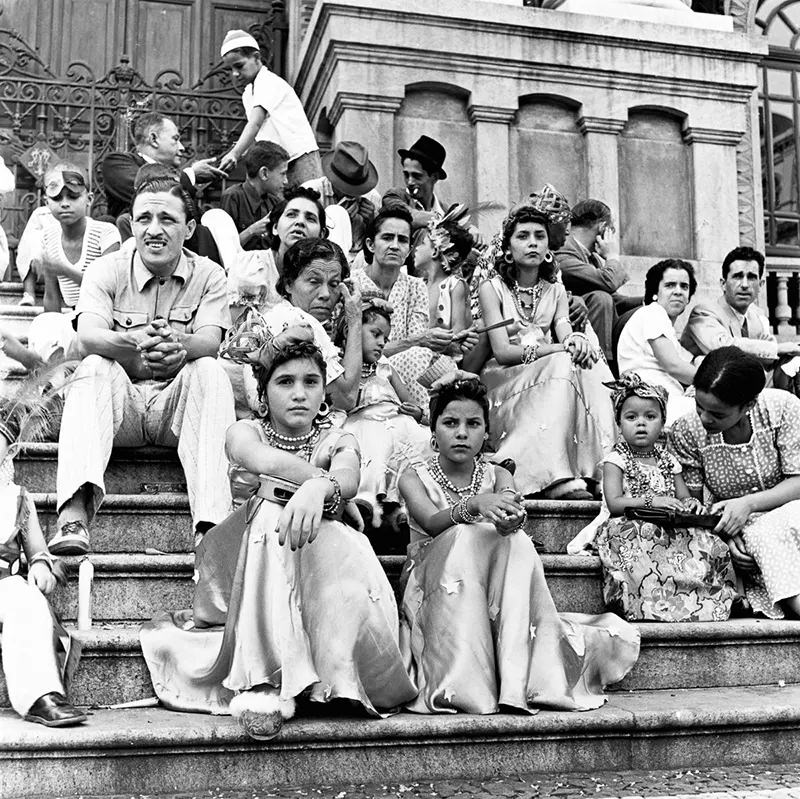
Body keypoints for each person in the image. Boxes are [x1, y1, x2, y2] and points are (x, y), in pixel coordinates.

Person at [140, 340, 418, 739]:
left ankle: (336, 672)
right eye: (285, 382)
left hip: (311, 554)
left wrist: (326, 494)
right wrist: (321, 488)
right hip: (237, 559)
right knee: (273, 510)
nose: (300, 393)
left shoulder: (340, 436)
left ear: (325, 392)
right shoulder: (244, 431)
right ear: (264, 394)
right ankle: (261, 681)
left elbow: (349, 476)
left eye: (311, 381)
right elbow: (267, 464)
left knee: (343, 537)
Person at [397, 377, 639, 714]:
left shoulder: (497, 475)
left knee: (516, 540)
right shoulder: (413, 474)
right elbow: (430, 521)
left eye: (473, 424)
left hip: (490, 579)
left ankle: (519, 677)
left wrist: (511, 520)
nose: (462, 432)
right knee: (466, 534)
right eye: (450, 423)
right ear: (434, 432)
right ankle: (468, 682)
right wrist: (476, 506)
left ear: (486, 434)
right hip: (432, 580)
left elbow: (512, 505)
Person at [49, 175, 235, 555]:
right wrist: (134, 340)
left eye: (166, 219)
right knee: (93, 366)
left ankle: (212, 531)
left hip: (177, 410)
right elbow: (88, 335)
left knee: (210, 371)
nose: (153, 230)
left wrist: (178, 345)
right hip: (123, 409)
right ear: (131, 225)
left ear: (189, 228)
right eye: (143, 219)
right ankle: (73, 514)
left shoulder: (210, 275)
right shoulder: (108, 269)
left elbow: (210, 341)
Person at [478, 195, 616, 499]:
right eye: (523, 236)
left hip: (549, 369)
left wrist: (575, 340)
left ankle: (601, 469)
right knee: (563, 362)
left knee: (587, 361)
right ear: (508, 247)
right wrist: (555, 350)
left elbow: (564, 329)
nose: (533, 243)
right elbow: (501, 351)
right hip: (505, 374)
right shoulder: (492, 288)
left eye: (540, 236)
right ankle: (557, 477)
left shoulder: (555, 289)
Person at [588, 374, 736, 622]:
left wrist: (691, 503)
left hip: (665, 523)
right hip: (627, 522)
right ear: (619, 423)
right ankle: (646, 603)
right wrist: (651, 500)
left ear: (663, 422)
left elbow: (683, 497)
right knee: (639, 538)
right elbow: (614, 503)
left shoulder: (668, 460)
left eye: (650, 417)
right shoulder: (617, 460)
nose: (641, 424)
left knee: (708, 541)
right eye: (631, 417)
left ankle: (708, 601)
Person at [671, 347, 800, 620]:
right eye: (699, 407)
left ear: (749, 405)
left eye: (717, 414)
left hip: (791, 509)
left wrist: (748, 504)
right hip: (737, 528)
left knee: (782, 525)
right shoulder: (686, 430)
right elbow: (692, 504)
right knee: (761, 536)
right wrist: (725, 537)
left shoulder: (783, 408)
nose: (705, 418)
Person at [0, 397, 86, 727]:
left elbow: (38, 551)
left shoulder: (17, 498)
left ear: (8, 451)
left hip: (4, 585)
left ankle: (41, 696)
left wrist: (40, 566)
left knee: (27, 600)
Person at [224, 236, 362, 419]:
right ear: (288, 284)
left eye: (334, 284)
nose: (326, 294)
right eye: (314, 282)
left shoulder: (280, 315)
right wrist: (354, 319)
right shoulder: (296, 320)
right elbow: (346, 397)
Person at [351, 205, 461, 407]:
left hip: (405, 370)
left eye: (402, 240)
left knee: (438, 363)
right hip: (361, 370)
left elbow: (419, 342)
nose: (394, 245)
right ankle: (428, 418)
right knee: (419, 356)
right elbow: (355, 349)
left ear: (409, 249)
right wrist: (416, 342)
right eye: (387, 238)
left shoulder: (416, 286)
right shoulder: (352, 285)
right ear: (370, 244)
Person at [339, 294, 430, 527]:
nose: (381, 342)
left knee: (421, 440)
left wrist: (416, 413)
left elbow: (410, 402)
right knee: (375, 445)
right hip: (363, 421)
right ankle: (369, 503)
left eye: (385, 338)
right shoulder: (342, 366)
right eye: (375, 334)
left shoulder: (385, 367)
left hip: (397, 419)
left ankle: (404, 508)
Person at [217, 30, 321, 186]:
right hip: (279, 162)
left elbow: (255, 123)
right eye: (231, 69)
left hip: (300, 157)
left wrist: (235, 153)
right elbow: (258, 133)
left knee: (310, 201)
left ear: (257, 57)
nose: (235, 74)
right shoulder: (248, 94)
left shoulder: (268, 81)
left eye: (239, 66)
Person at [681, 246, 800, 367]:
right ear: (723, 284)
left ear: (761, 284)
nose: (744, 285)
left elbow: (769, 361)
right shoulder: (703, 313)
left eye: (751, 277)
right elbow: (722, 348)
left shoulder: (757, 318)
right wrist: (777, 348)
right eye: (737, 276)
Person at [555, 199, 640, 363]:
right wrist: (612, 256)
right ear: (603, 228)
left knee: (646, 309)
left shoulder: (591, 258)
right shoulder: (563, 249)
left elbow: (617, 300)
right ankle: (602, 365)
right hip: (567, 329)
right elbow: (608, 282)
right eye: (611, 229)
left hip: (588, 324)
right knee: (601, 298)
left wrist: (652, 301)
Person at [616, 259, 699, 424]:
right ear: (655, 291)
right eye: (670, 285)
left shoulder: (665, 326)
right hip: (651, 402)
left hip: (663, 401)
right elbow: (673, 365)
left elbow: (690, 361)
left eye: (684, 286)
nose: (678, 291)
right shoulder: (653, 313)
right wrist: (716, 382)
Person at [102, 111, 224, 220]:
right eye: (175, 139)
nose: (181, 148)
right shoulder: (116, 162)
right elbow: (153, 193)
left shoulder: (176, 175)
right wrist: (190, 175)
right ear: (153, 139)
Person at [227, 186, 326, 314]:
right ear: (275, 227)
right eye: (291, 215)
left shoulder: (325, 274)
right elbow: (243, 326)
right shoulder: (250, 265)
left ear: (321, 235)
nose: (300, 222)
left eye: (310, 219)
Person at [303, 141, 381, 256]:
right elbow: (303, 236)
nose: (353, 193)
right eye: (347, 187)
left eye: (357, 188)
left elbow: (378, 243)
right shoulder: (311, 191)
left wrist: (372, 222)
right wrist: (338, 222)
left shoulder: (372, 198)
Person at [221, 141, 289, 251]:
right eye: (282, 174)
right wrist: (252, 231)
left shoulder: (275, 202)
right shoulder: (233, 197)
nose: (286, 181)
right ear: (264, 173)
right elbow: (224, 249)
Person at [382, 135, 448, 231]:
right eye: (406, 175)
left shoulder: (445, 210)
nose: (410, 182)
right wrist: (450, 223)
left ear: (434, 177)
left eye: (417, 176)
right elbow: (410, 216)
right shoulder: (394, 196)